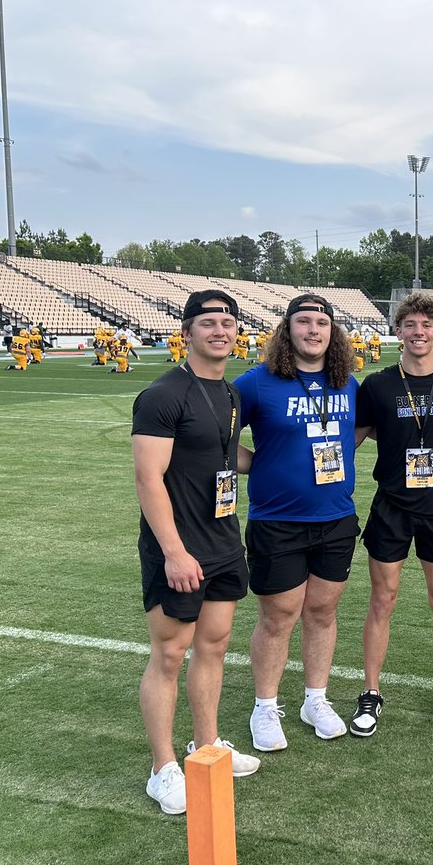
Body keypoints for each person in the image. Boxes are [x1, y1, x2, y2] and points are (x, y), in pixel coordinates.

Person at [132, 289, 260, 816]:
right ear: (186, 332)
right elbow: (148, 476)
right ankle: (162, 768)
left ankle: (206, 746)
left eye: (228, 322)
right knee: (169, 654)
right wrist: (173, 552)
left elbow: (229, 458)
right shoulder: (163, 394)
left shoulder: (229, 394)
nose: (220, 330)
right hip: (180, 549)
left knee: (214, 646)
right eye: (208, 322)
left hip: (225, 541)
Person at [350, 292, 433, 735]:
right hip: (391, 505)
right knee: (382, 599)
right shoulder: (378, 385)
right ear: (398, 331)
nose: (419, 332)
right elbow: (355, 438)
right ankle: (370, 691)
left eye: (427, 325)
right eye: (410, 325)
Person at [234, 295, 361, 748]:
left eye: (322, 323)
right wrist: (257, 461)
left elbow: (353, 434)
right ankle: (265, 707)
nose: (313, 330)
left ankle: (315, 698)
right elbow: (214, 431)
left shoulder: (347, 383)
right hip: (277, 519)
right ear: (287, 330)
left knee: (323, 611)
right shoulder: (257, 383)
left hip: (336, 516)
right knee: (278, 616)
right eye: (303, 322)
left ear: (333, 332)